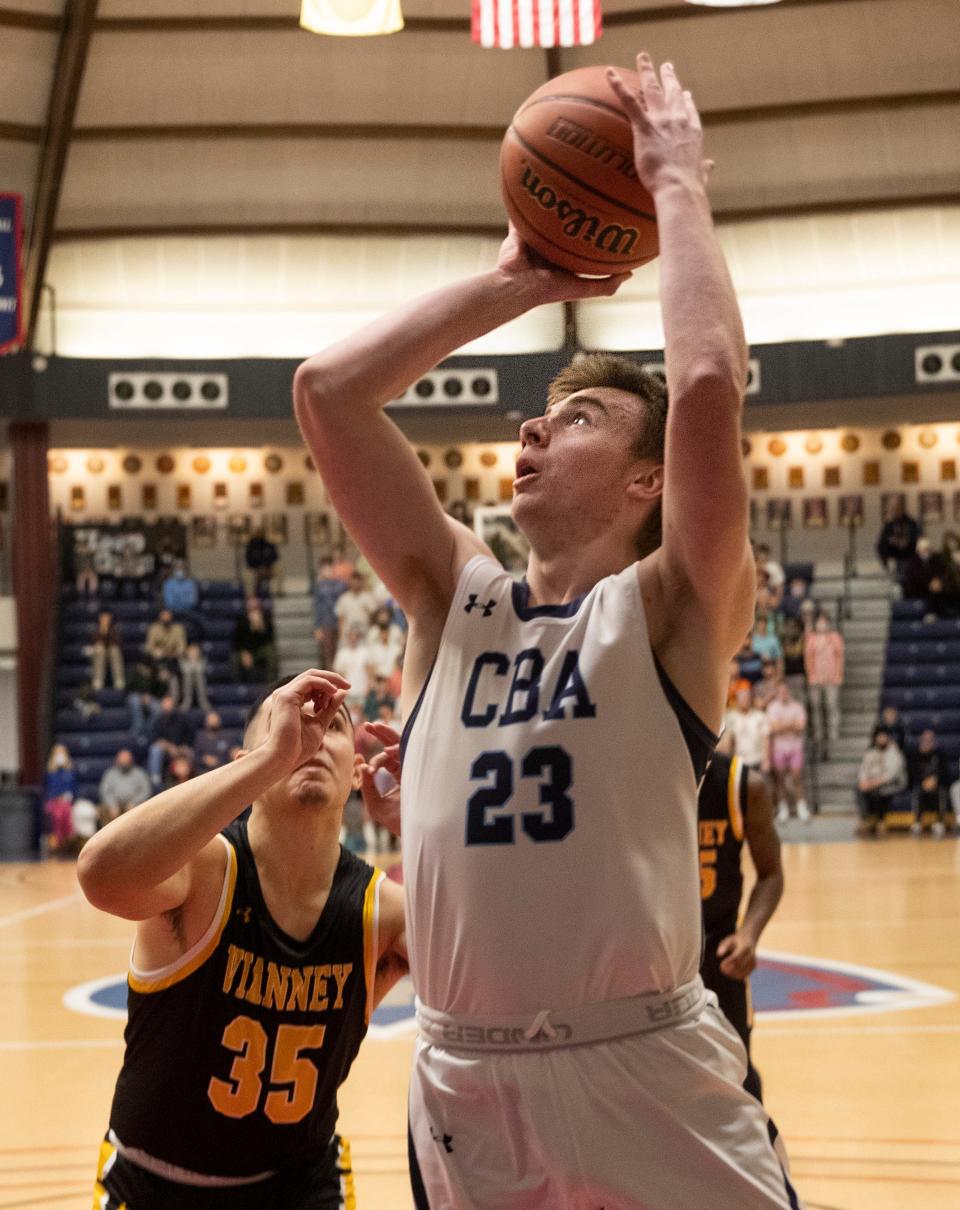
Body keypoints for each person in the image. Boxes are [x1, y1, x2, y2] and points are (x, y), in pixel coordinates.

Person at [294, 52, 798, 1210]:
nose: (530, 424)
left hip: (651, 1067)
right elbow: (328, 393)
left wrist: (674, 189)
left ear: (643, 483)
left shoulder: (675, 605)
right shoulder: (448, 593)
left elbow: (709, 383)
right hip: (468, 1083)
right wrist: (521, 278)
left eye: (576, 416)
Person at [77, 670, 408, 1210]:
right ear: (247, 765)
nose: (313, 737)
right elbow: (100, 875)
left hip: (299, 1184)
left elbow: (502, 971)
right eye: (290, 726)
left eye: (334, 725)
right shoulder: (202, 871)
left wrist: (422, 825)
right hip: (154, 1181)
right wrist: (270, 763)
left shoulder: (381, 912)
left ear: (356, 771)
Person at [698, 751, 783, 1103]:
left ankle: (757, 1156)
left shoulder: (741, 785)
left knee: (739, 1078)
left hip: (719, 953)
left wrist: (748, 934)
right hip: (659, 959)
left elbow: (771, 874)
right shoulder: (636, 781)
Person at [766, 680, 810, 823]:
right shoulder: (772, 707)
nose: (783, 694)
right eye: (781, 691)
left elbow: (801, 726)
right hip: (779, 747)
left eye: (785, 691)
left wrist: (783, 726)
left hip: (795, 747)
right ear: (778, 693)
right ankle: (783, 807)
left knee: (797, 776)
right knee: (780, 778)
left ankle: (801, 806)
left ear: (789, 692)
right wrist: (791, 724)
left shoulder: (797, 706)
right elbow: (774, 728)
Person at [804, 613, 845, 760]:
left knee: (831, 705)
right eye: (819, 622)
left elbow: (840, 657)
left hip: (831, 678)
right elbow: (808, 658)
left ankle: (833, 732)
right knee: (816, 707)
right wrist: (810, 675)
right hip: (815, 678)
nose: (822, 625)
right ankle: (818, 732)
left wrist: (839, 675)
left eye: (824, 622)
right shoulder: (812, 638)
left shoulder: (835, 637)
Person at [856, 725, 907, 836]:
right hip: (873, 782)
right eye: (879, 737)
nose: (881, 739)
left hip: (893, 783)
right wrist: (863, 782)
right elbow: (863, 770)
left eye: (884, 736)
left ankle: (881, 821)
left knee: (881, 791)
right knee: (859, 789)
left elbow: (890, 776)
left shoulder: (894, 752)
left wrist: (871, 784)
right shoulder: (870, 753)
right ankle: (866, 820)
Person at [147, 696, 195, 788]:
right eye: (165, 704)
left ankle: (195, 777)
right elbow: (155, 739)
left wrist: (184, 746)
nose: (167, 706)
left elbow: (190, 734)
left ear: (173, 705)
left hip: (182, 748)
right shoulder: (158, 720)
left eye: (169, 703)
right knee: (155, 750)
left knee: (192, 752)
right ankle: (155, 778)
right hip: (166, 749)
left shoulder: (182, 718)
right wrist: (169, 747)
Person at [909, 729, 948, 837]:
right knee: (916, 790)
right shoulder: (915, 755)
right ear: (920, 740)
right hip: (921, 784)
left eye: (930, 740)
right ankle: (917, 822)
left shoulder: (939, 755)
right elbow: (912, 773)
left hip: (936, 785)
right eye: (925, 739)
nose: (927, 742)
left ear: (934, 741)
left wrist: (935, 780)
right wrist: (923, 782)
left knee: (941, 791)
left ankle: (940, 821)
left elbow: (945, 773)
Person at [98, 749, 153, 825]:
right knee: (103, 809)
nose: (124, 762)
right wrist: (112, 804)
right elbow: (105, 791)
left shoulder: (140, 773)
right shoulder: (110, 774)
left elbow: (146, 791)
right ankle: (109, 836)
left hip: (134, 804)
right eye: (122, 760)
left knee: (144, 810)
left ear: (131, 760)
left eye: (126, 759)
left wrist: (135, 803)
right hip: (115, 805)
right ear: (117, 760)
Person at [232, 597, 277, 684]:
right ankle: (237, 686)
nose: (254, 613)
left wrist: (260, 628)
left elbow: (269, 640)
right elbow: (236, 642)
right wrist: (244, 652)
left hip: (259, 651)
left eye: (256, 609)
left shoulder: (266, 621)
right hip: (245, 651)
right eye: (251, 610)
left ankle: (272, 682)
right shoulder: (242, 622)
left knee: (270, 652)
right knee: (234, 658)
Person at [145, 610, 188, 699]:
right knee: (158, 663)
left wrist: (173, 653)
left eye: (168, 616)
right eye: (164, 616)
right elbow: (148, 647)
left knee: (175, 672)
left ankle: (175, 699)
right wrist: (157, 651)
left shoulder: (178, 628)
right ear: (160, 618)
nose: (166, 618)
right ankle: (159, 697)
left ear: (171, 617)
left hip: (174, 659)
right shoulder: (154, 628)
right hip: (159, 659)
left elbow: (182, 647)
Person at [44, 743, 78, 853]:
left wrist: (66, 797)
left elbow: (73, 789)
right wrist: (56, 797)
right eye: (57, 753)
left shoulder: (70, 772)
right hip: (52, 801)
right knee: (58, 813)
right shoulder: (50, 772)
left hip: (66, 802)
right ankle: (58, 842)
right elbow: (48, 789)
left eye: (62, 753)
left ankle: (64, 842)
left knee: (65, 810)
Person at [727, 687, 770, 774]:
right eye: (742, 699)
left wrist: (766, 760)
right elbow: (730, 740)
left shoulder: (760, 716)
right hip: (739, 761)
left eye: (747, 698)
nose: (745, 701)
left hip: (757, 759)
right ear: (737, 701)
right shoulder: (732, 717)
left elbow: (766, 739)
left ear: (750, 700)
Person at [313, 557, 347, 667]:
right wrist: (317, 626)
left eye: (329, 567)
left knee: (341, 649)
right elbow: (317, 606)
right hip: (326, 622)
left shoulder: (340, 584)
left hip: (340, 621)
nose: (327, 570)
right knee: (328, 652)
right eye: (325, 568)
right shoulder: (319, 586)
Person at [876, 498, 920, 581]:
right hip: (895, 549)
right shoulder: (889, 524)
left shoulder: (912, 523)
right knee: (881, 545)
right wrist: (891, 540)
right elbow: (883, 538)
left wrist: (907, 541)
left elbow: (917, 536)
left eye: (896, 509)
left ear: (901, 509)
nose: (894, 512)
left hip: (909, 548)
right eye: (892, 510)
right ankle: (888, 569)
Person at [334, 571, 378, 644]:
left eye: (358, 580)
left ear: (361, 582)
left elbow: (374, 618)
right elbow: (341, 619)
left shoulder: (368, 597)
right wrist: (340, 637)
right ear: (350, 582)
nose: (356, 583)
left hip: (365, 632)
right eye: (353, 580)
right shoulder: (344, 598)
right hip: (349, 634)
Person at [92, 610, 126, 692]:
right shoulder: (95, 629)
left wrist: (108, 632)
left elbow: (117, 642)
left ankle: (119, 680)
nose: (105, 620)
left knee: (114, 650)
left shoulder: (115, 629)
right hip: (98, 655)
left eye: (107, 618)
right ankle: (98, 681)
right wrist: (102, 632)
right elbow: (94, 642)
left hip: (111, 654)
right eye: (103, 618)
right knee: (100, 650)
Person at [243, 527, 281, 598]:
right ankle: (250, 596)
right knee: (248, 574)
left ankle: (278, 592)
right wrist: (259, 569)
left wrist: (267, 568)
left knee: (279, 568)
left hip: (268, 569)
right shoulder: (251, 546)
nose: (260, 535)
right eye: (258, 533)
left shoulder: (269, 545)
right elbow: (249, 561)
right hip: (255, 570)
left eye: (261, 533)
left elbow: (275, 558)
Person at [179, 642, 212, 712]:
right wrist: (193, 664)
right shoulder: (183, 660)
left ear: (199, 652)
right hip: (187, 680)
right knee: (187, 676)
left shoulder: (202, 659)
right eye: (191, 652)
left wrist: (193, 664)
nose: (193, 654)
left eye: (195, 652)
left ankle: (203, 700)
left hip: (199, 680)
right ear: (187, 652)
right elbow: (185, 670)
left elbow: (201, 669)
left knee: (200, 676)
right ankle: (187, 700)